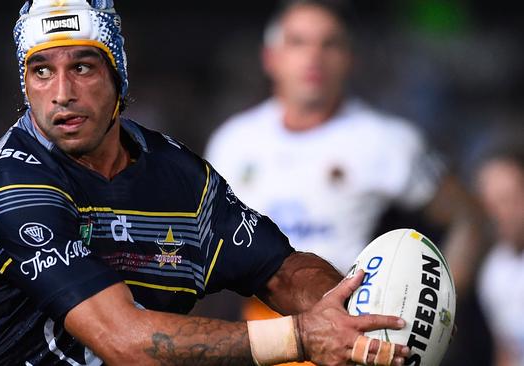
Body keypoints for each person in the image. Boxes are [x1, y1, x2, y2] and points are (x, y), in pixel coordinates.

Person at [0, 1, 410, 365]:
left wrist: (350, 315)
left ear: (117, 77)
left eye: (82, 67)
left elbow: (280, 270)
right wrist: (303, 337)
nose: (61, 93)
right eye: (41, 71)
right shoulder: (15, 186)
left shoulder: (178, 175)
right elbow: (126, 342)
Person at [205, 0, 485, 313]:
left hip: (353, 334)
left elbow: (468, 218)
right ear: (271, 58)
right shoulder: (232, 142)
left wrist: (438, 310)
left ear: (350, 59)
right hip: (260, 337)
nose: (314, 57)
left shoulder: (387, 140)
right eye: (298, 42)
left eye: (330, 44)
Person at [475, 146, 524, 366]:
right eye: (489, 205)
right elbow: (506, 352)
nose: (497, 214)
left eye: (507, 200)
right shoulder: (494, 272)